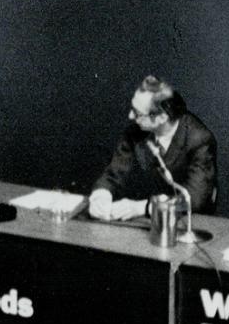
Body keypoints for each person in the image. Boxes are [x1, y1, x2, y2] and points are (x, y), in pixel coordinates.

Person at [88, 75, 217, 220]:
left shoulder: (199, 139)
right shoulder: (135, 131)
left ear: (162, 118)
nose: (130, 116)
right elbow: (113, 174)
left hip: (189, 223)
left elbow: (194, 198)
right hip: (146, 224)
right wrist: (101, 195)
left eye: (137, 113)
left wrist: (142, 207)